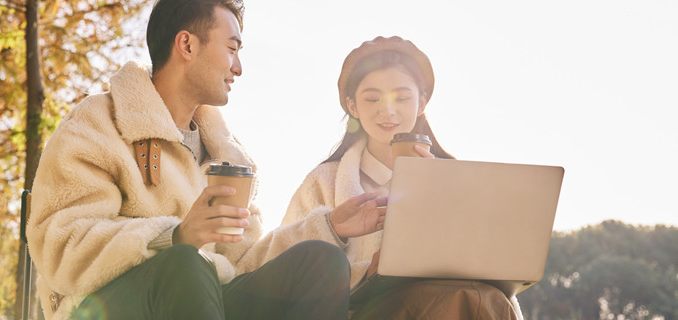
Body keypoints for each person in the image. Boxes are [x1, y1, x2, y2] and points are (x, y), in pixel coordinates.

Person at [26, 0, 350, 319]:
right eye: (232, 48)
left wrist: (329, 226)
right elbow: (61, 247)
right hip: (102, 308)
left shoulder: (228, 155)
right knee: (185, 262)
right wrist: (175, 236)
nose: (238, 68)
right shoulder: (99, 122)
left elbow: (244, 262)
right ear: (187, 45)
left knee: (322, 260)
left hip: (204, 300)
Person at [257, 36, 525, 319]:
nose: (387, 110)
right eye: (372, 98)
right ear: (353, 106)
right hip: (362, 311)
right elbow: (285, 272)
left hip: (450, 304)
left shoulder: (456, 179)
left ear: (422, 102)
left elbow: (485, 267)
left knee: (482, 298)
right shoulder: (323, 183)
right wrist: (365, 273)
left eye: (402, 97)